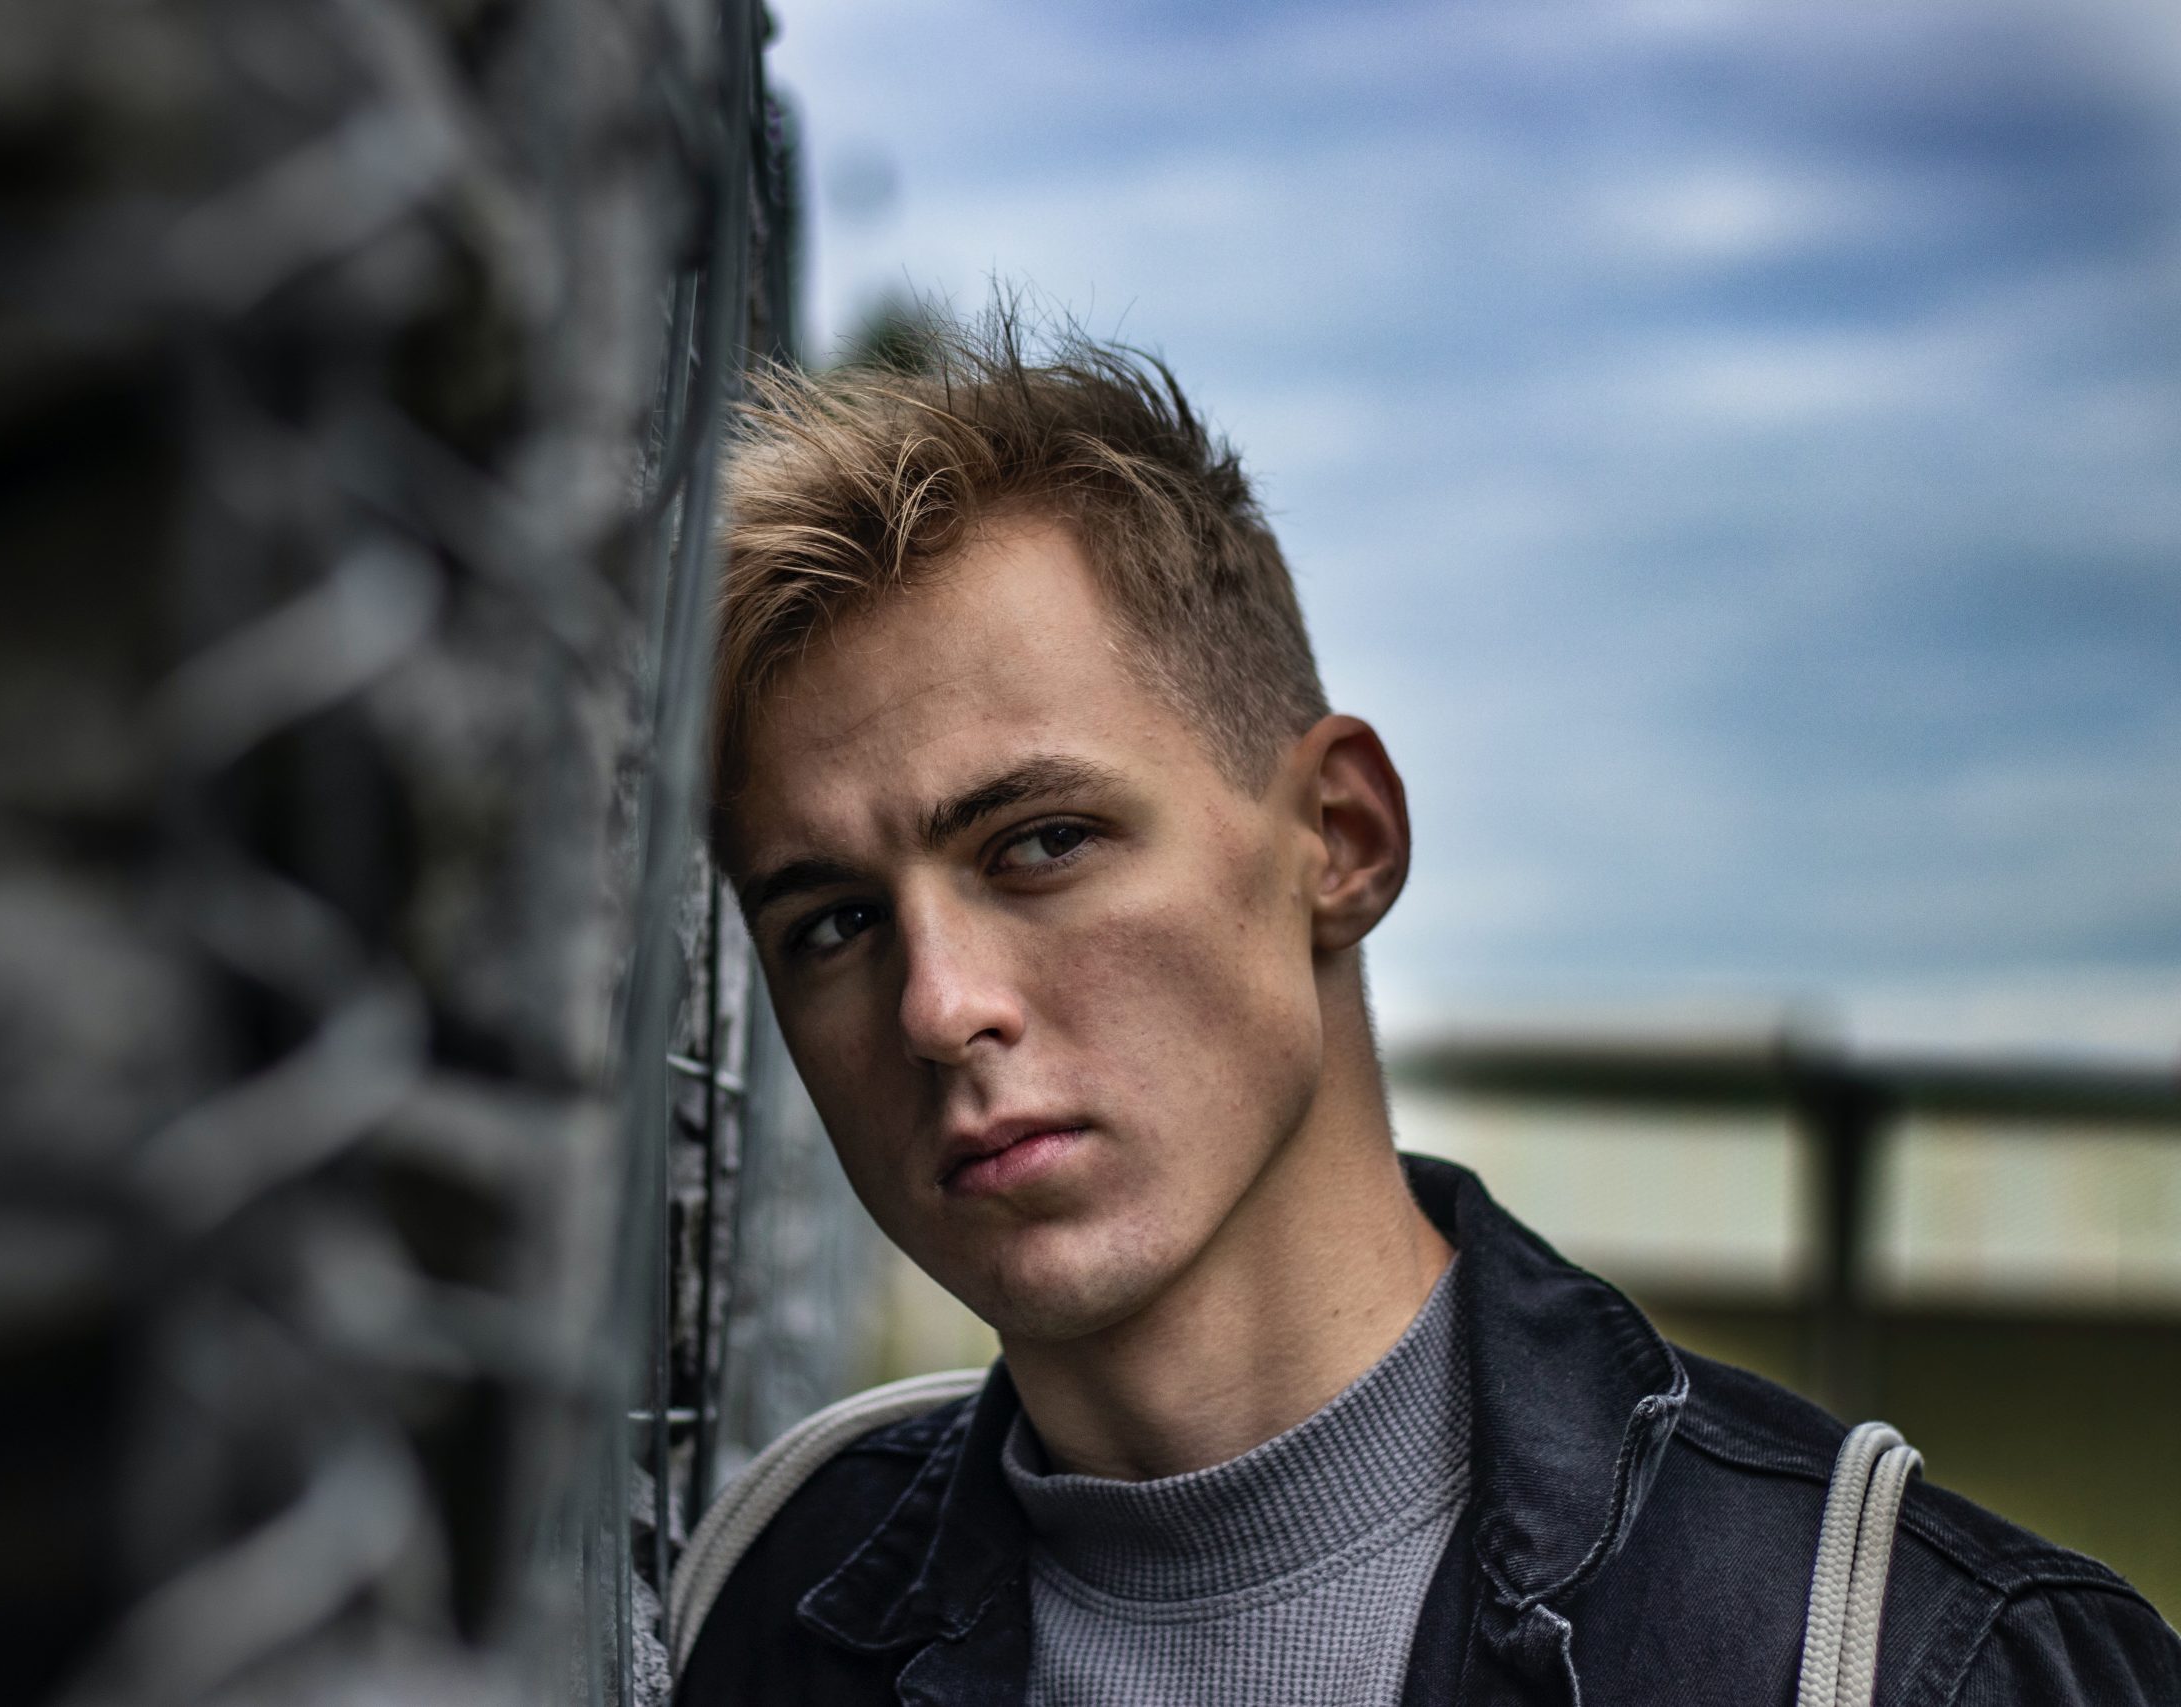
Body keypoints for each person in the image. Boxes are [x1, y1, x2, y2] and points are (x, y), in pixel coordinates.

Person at [674, 315, 2179, 1706]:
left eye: (1043, 843)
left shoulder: (1905, 1657)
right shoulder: (769, 1596)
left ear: (1340, 836)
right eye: (836, 923)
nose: (940, 1006)